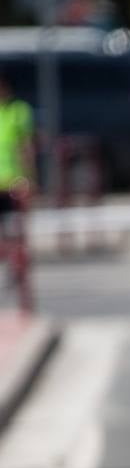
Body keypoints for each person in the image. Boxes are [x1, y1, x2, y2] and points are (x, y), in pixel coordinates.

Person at [0, 72, 34, 300]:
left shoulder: (18, 112)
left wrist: (29, 179)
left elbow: (25, 147)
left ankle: (16, 271)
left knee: (16, 234)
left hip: (13, 183)